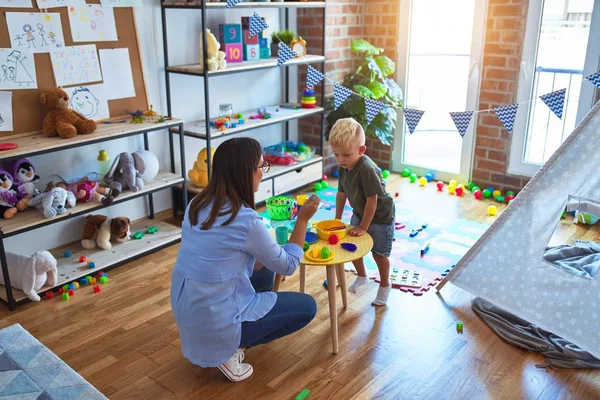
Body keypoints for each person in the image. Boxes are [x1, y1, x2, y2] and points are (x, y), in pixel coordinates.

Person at [171, 137, 320, 382]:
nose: (263, 172)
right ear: (246, 172)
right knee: (306, 307)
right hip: (217, 320)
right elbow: (289, 265)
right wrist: (302, 220)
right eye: (261, 166)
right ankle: (230, 350)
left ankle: (225, 339)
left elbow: (223, 257)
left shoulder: (196, 204)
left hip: (188, 309)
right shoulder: (247, 221)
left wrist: (263, 253)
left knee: (264, 270)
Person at [329, 118, 395, 306]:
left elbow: (372, 201)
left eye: (346, 155)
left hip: (381, 216)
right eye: (336, 154)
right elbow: (341, 194)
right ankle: (362, 276)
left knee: (379, 254)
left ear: (361, 150)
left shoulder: (367, 169)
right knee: (353, 246)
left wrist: (364, 227)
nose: (341, 159)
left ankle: (384, 286)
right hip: (360, 209)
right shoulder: (343, 166)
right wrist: (337, 219)